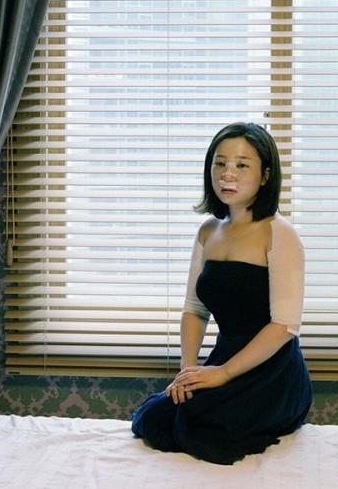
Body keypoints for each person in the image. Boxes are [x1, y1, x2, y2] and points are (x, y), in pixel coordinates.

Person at [131, 122, 313, 465]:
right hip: (223, 358)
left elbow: (285, 325)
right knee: (156, 419)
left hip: (273, 371)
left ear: (265, 176)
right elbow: (194, 309)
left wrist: (225, 373)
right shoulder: (208, 231)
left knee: (206, 432)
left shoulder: (280, 233)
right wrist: (188, 371)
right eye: (220, 163)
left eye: (242, 165)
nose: (228, 174)